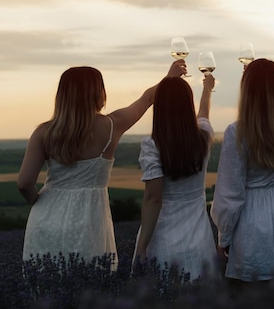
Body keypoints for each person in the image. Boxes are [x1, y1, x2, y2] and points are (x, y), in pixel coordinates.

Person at [17, 60, 186, 270]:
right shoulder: (112, 125)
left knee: (45, 287)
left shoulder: (43, 132)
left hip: (46, 216)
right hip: (90, 218)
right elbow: (148, 98)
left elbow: (24, 183)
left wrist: (41, 202)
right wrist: (170, 77)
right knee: (93, 284)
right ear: (98, 92)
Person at [210, 59, 274, 285]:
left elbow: (230, 193)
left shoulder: (236, 131)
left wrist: (223, 238)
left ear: (245, 88)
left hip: (252, 216)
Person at [132, 74, 218, 280]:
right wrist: (207, 89)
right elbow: (204, 114)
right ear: (189, 104)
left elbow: (154, 198)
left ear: (159, 107)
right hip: (199, 239)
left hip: (163, 240)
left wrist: (141, 247)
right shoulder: (204, 136)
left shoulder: (152, 145)